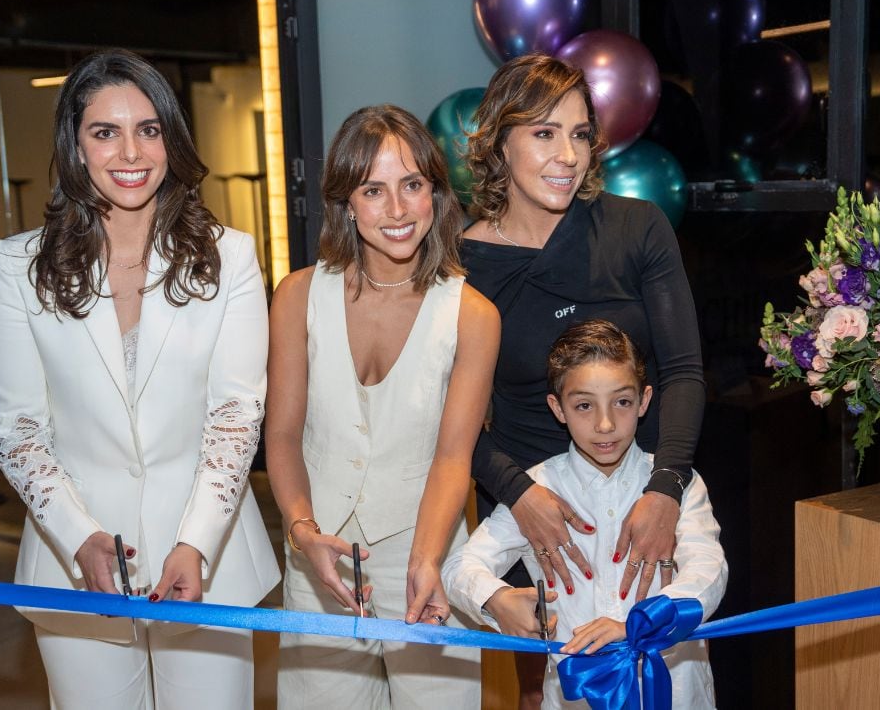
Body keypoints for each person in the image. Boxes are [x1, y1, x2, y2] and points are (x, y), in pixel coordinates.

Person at [0, 49, 278, 709]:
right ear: (75, 146)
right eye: (104, 132)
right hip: (73, 563)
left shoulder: (229, 257)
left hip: (209, 559)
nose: (131, 152)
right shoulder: (19, 267)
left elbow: (235, 417)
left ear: (171, 139)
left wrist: (196, 541)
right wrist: (78, 536)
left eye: (148, 129)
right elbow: (18, 428)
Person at [461, 52, 706, 708]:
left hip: (641, 506)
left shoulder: (637, 227)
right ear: (499, 142)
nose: (567, 155)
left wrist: (665, 491)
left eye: (579, 134)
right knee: (553, 689)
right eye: (544, 133)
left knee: (661, 676)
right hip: (531, 516)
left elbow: (683, 372)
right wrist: (519, 496)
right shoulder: (462, 265)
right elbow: (448, 419)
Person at [266, 104, 500, 709]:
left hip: (428, 553)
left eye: (412, 185)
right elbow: (283, 435)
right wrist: (303, 533)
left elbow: (454, 457)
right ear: (347, 202)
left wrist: (427, 559)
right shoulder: (297, 296)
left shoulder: (473, 315)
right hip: (318, 553)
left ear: (435, 195)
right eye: (373, 190)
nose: (397, 209)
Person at [443, 319, 726, 709]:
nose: (605, 424)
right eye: (584, 405)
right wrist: (496, 598)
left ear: (644, 401)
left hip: (675, 691)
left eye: (621, 402)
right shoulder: (537, 492)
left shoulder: (678, 487)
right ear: (557, 408)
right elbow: (458, 567)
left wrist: (639, 625)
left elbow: (708, 571)